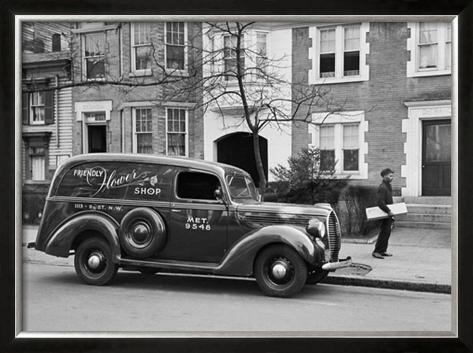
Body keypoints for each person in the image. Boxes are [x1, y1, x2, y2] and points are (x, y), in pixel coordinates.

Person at [372, 168, 395, 259]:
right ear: (385, 176)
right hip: (385, 213)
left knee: (387, 232)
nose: (392, 178)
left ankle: (383, 250)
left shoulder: (388, 186)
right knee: (383, 232)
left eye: (392, 176)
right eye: (390, 176)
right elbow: (380, 202)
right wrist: (388, 211)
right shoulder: (382, 187)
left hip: (388, 213)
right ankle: (377, 251)